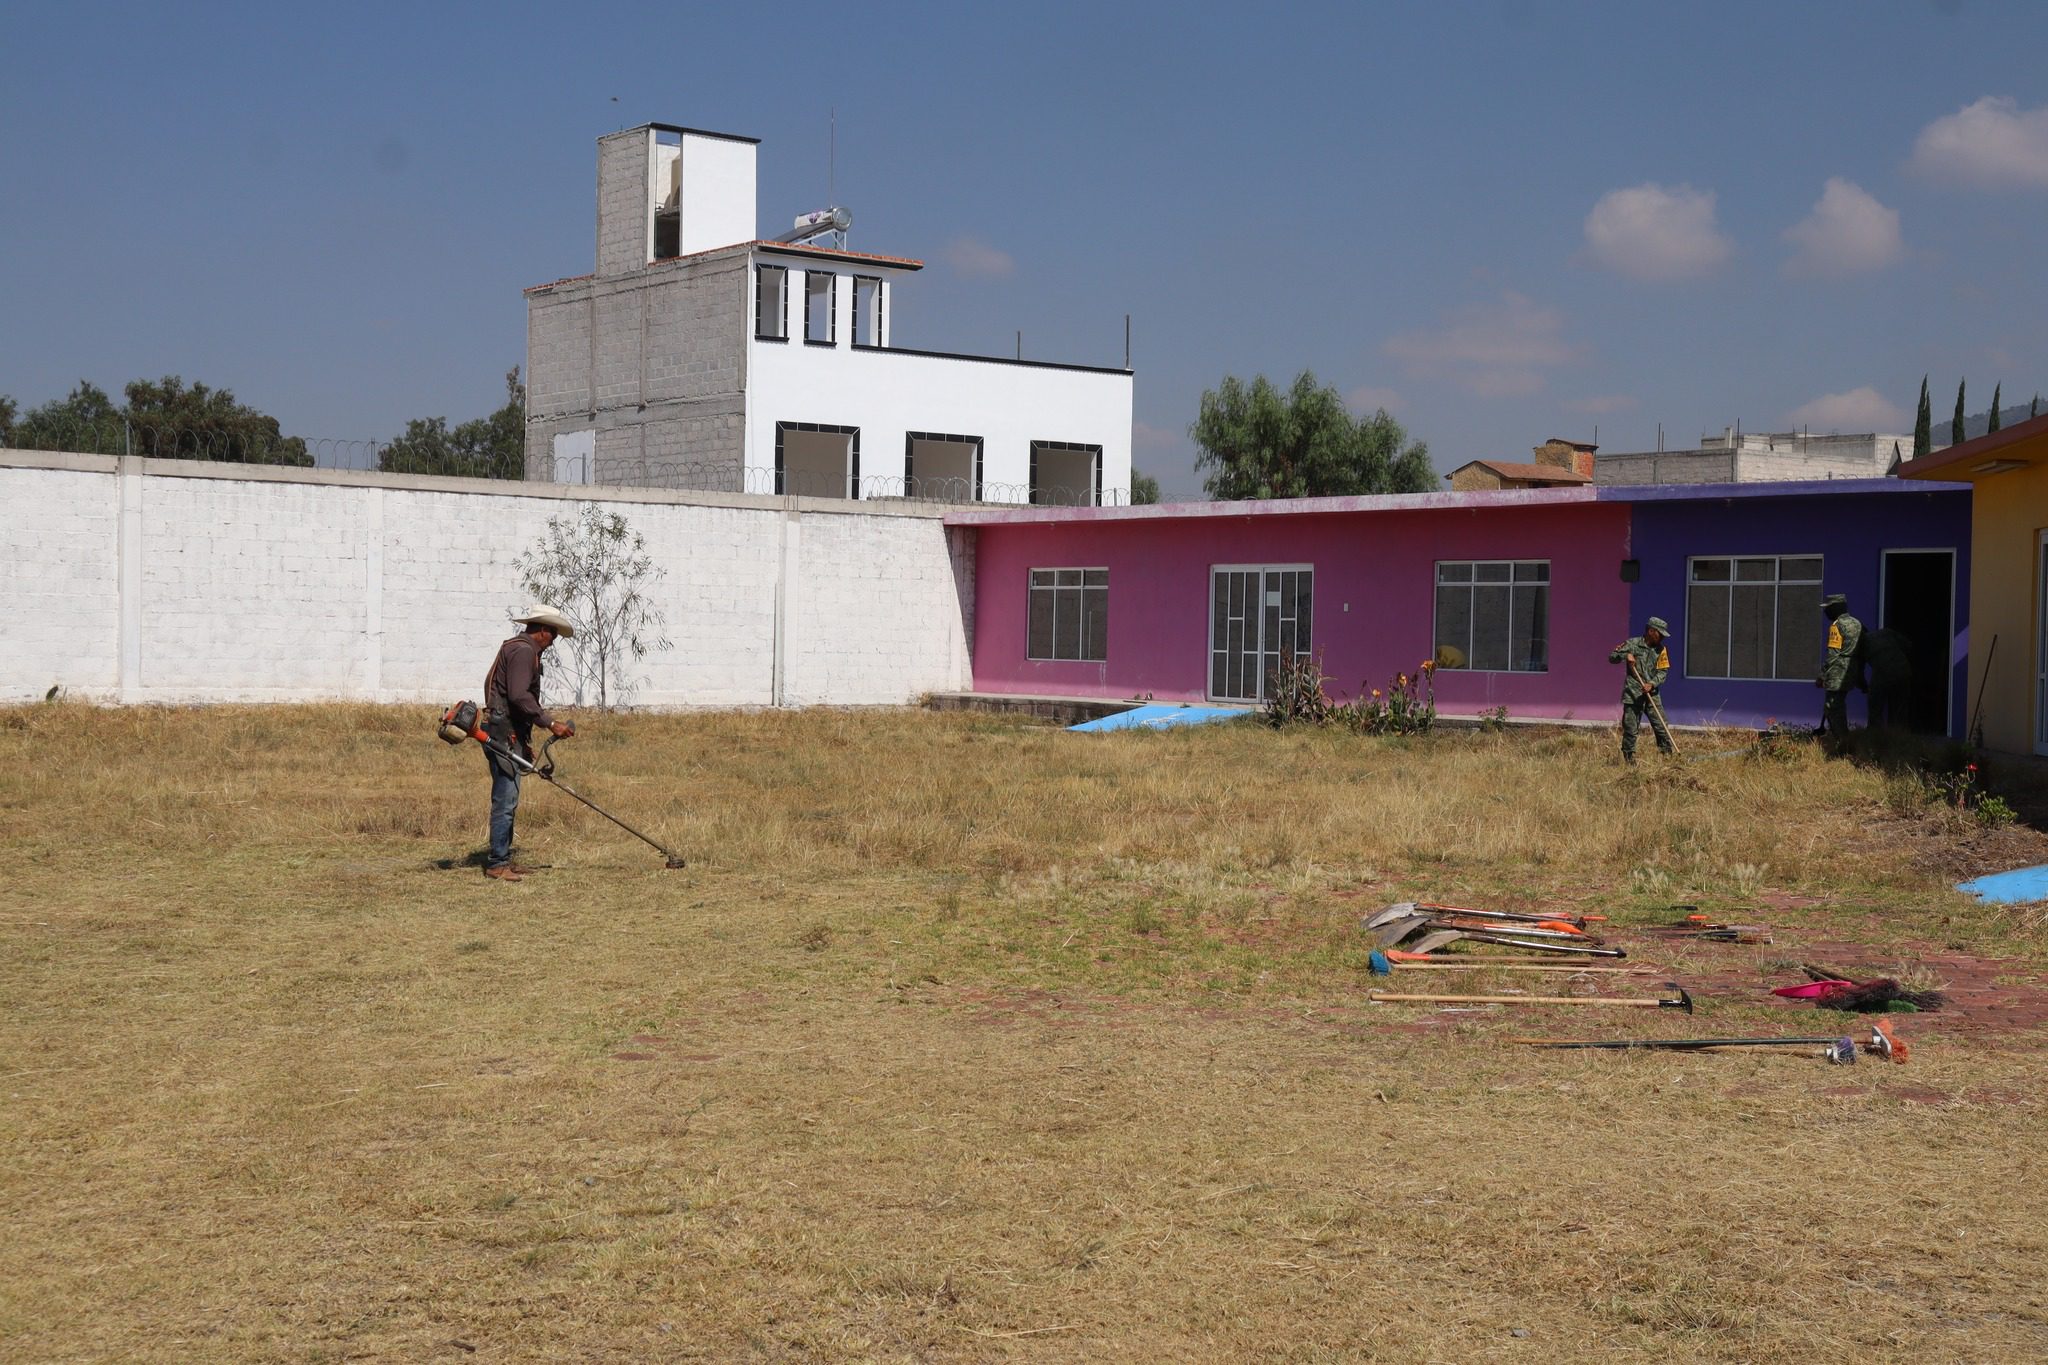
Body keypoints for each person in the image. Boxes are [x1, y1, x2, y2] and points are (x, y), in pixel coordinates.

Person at [481, 606, 578, 882]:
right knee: (505, 798)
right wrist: (549, 723)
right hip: (502, 732)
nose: (553, 642)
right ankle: (497, 863)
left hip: (506, 731)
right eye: (553, 636)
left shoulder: (516, 648)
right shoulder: (524, 651)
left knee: (508, 797)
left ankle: (503, 860)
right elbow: (520, 697)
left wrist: (523, 741)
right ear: (543, 631)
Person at [1609, 616, 1675, 764]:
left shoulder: (1661, 650)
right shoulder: (1632, 644)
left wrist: (1651, 684)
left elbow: (1663, 672)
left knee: (1662, 726)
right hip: (1633, 695)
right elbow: (1612, 657)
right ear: (1651, 631)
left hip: (1652, 695)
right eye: (1660, 633)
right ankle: (1629, 760)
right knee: (1631, 729)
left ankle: (1668, 757)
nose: (1662, 637)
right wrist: (1626, 655)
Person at [1816, 593, 1864, 748]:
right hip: (1852, 670)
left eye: (1828, 608)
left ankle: (1842, 743)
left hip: (1838, 671)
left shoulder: (1837, 625)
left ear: (1836, 608)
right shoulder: (1857, 623)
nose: (1826, 612)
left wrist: (1822, 675)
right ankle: (1842, 740)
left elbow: (1833, 654)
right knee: (1838, 704)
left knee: (1833, 708)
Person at [1862, 625, 1914, 733]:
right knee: (1900, 707)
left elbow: (1858, 671)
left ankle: (1875, 735)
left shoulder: (1861, 644)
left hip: (1883, 673)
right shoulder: (1886, 632)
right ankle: (1900, 736)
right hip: (1903, 671)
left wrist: (1863, 686)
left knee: (1875, 706)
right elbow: (1908, 646)